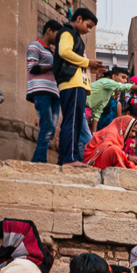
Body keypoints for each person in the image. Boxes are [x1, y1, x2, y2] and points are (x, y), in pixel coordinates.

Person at [54, 8, 103, 165]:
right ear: (79, 19)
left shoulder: (76, 36)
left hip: (77, 85)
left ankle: (65, 158)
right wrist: (88, 62)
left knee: (72, 121)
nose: (88, 30)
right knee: (72, 121)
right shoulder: (67, 32)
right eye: (88, 26)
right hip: (72, 84)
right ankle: (69, 158)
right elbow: (64, 52)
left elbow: (74, 58)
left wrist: (89, 67)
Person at [26, 21, 61, 163]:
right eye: (57, 34)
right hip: (41, 91)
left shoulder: (51, 51)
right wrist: (53, 65)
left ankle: (38, 158)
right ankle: (39, 160)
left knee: (51, 128)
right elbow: (32, 67)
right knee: (46, 125)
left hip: (54, 92)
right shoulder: (35, 45)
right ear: (49, 30)